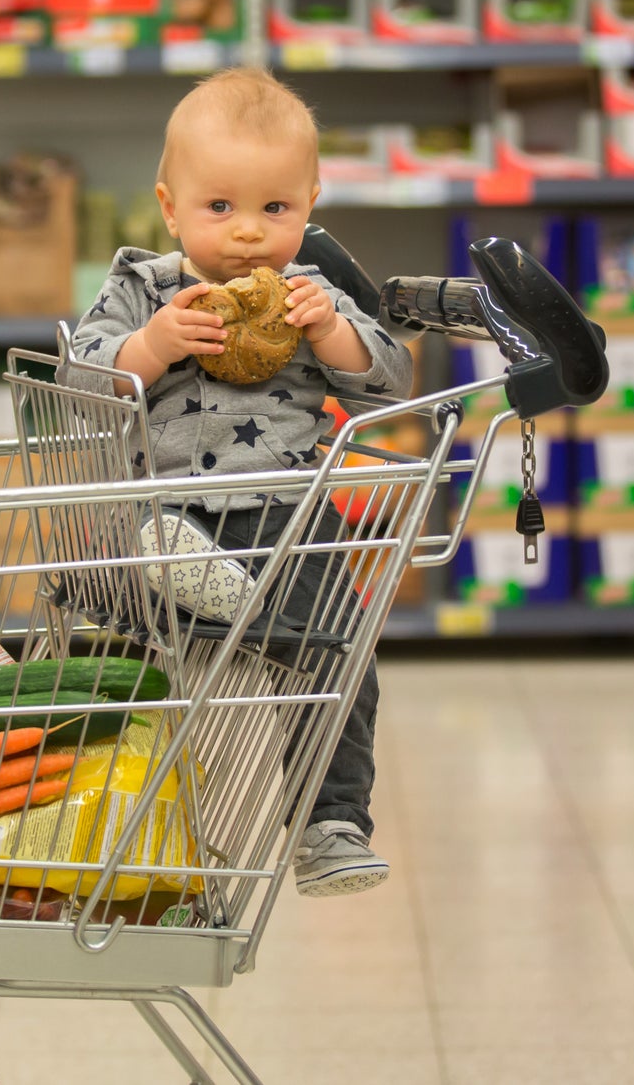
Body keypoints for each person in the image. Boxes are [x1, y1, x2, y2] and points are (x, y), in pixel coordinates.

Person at [62, 66, 414, 897]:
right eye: (221, 207)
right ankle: (198, 593)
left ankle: (331, 821)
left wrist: (332, 336)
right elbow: (76, 384)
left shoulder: (311, 294)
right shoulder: (143, 288)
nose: (250, 234)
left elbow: (390, 384)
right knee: (135, 634)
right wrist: (150, 346)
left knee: (339, 652)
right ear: (170, 204)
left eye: (276, 209)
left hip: (291, 516)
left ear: (311, 203)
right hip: (165, 510)